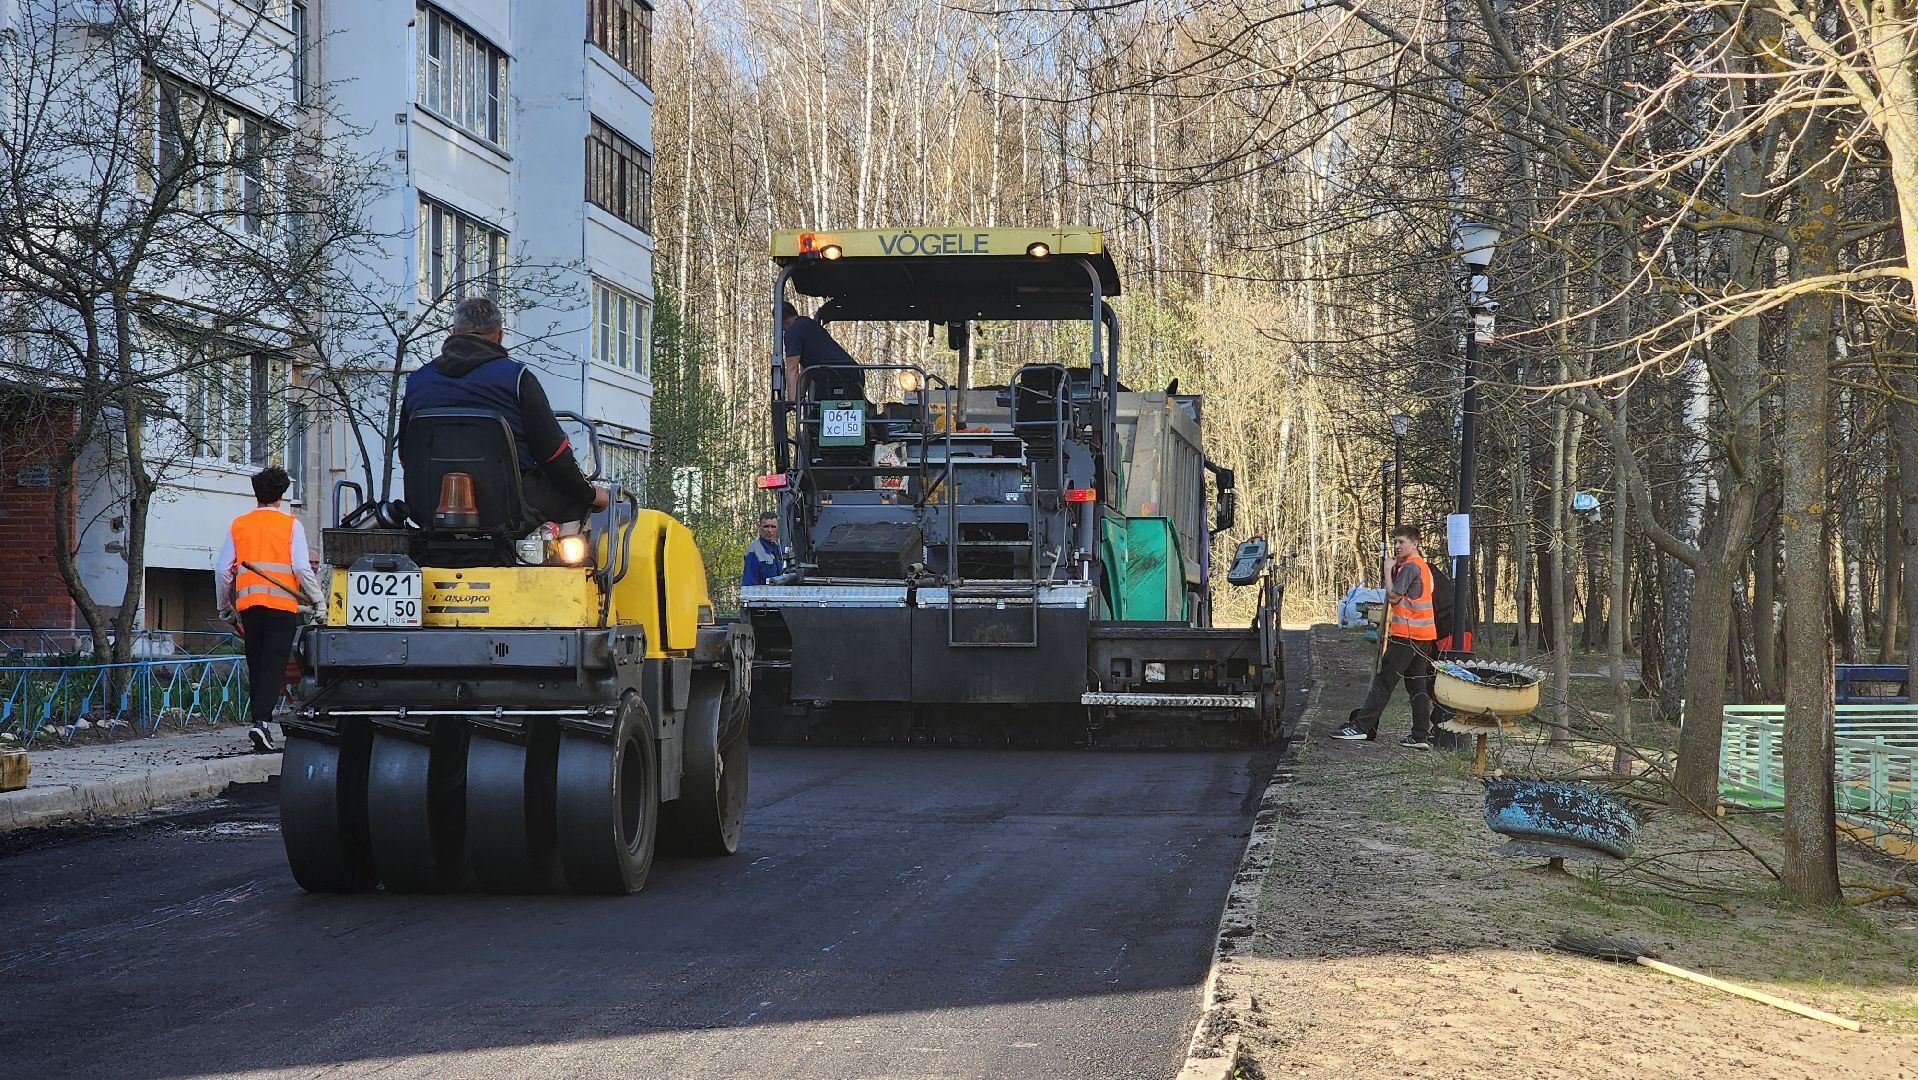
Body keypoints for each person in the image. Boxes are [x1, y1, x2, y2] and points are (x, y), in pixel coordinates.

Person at [400, 297, 609, 523]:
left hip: (430, 505)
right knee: (577, 507)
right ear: (500, 335)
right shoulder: (517, 378)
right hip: (511, 505)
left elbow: (406, 457)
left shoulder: (417, 381)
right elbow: (554, 456)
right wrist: (589, 493)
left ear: (452, 332)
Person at [216, 466, 324, 753]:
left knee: (257, 663)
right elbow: (301, 567)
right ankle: (261, 724)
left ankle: (259, 722)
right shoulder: (291, 525)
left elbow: (223, 570)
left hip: (250, 607)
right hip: (281, 606)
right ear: (282, 494)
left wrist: (224, 605)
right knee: (274, 666)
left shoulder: (239, 524)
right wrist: (318, 600)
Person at [1331, 524, 1439, 749]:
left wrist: (1387, 572)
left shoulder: (1410, 567)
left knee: (1384, 681)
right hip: (1423, 634)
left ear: (1415, 543)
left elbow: (1393, 597)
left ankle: (1360, 727)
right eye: (1396, 542)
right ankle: (1420, 735)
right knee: (1417, 685)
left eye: (1401, 542)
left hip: (1407, 634)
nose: (1397, 546)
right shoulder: (1424, 567)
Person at [782, 301, 864, 399]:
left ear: (780, 321)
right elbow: (808, 370)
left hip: (832, 375)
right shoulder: (808, 324)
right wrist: (801, 395)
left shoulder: (793, 331)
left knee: (821, 407)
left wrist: (793, 402)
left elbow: (792, 368)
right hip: (854, 371)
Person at [741, 512, 784, 587]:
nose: (769, 530)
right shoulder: (754, 550)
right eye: (766, 526)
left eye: (773, 526)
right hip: (762, 597)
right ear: (759, 527)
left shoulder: (778, 549)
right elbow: (748, 585)